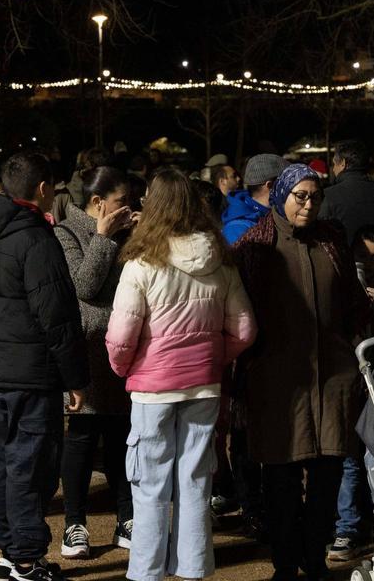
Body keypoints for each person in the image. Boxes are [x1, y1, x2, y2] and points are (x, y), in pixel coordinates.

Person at [106, 169, 256, 581]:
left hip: (152, 389)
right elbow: (244, 329)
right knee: (195, 482)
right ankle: (193, 568)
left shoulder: (140, 263)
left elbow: (121, 337)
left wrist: (125, 368)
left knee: (150, 484)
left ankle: (147, 572)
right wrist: (211, 358)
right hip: (203, 386)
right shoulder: (220, 260)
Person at [234, 163, 370, 581]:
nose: (309, 204)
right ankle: (284, 564)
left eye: (316, 196)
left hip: (333, 379)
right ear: (281, 195)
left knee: (329, 474)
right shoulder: (255, 246)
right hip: (279, 383)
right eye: (301, 196)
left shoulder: (331, 240)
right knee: (281, 479)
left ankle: (315, 560)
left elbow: (352, 303)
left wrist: (353, 352)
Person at [0, 152, 88, 581]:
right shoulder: (36, 238)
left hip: (1, 367)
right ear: (43, 188)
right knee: (31, 466)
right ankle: (24, 559)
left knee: (8, 461)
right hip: (31, 371)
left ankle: (12, 552)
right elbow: (57, 316)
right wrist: (76, 378)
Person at [54, 166, 135, 559]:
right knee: (82, 438)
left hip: (124, 348)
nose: (128, 208)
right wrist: (102, 238)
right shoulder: (66, 233)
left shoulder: (129, 232)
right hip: (87, 350)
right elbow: (83, 286)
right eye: (122, 201)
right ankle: (74, 524)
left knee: (122, 435)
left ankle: (127, 519)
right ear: (99, 202)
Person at [320, 139, 374, 245]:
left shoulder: (328, 196)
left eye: (334, 164)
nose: (333, 169)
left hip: (343, 254)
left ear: (343, 163)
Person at [221, 153, 287, 245]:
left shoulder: (275, 213)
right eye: (287, 182)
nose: (292, 187)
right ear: (270, 185)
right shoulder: (236, 229)